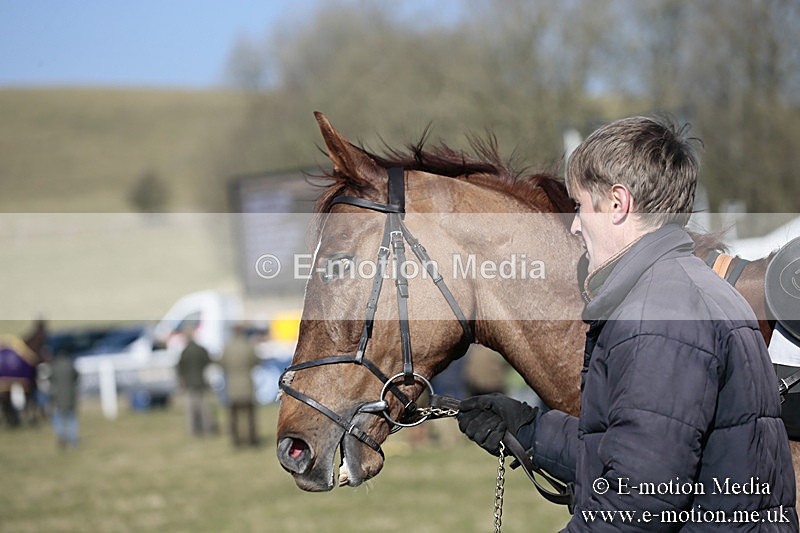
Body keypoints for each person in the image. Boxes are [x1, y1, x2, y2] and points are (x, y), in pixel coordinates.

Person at [456, 116, 798, 529]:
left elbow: (635, 508)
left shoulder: (658, 318)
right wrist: (533, 431)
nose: (577, 226)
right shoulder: (690, 289)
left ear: (618, 203)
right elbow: (652, 451)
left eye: (580, 207)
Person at [221, 324, 260, 447]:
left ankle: (236, 440)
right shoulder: (248, 346)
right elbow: (256, 361)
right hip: (246, 384)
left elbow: (222, 363)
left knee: (233, 416)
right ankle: (252, 439)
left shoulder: (227, 347)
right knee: (250, 415)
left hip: (232, 385)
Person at [176, 325, 215, 436]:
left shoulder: (185, 352)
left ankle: (193, 431)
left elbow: (180, 368)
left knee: (190, 409)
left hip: (189, 383)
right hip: (201, 381)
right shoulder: (201, 349)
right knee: (204, 408)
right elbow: (209, 362)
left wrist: (182, 381)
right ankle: (208, 429)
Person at [50, 350, 79, 449]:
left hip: (58, 398)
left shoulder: (55, 366)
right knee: (71, 419)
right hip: (71, 397)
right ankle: (73, 441)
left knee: (58, 419)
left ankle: (61, 437)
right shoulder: (71, 365)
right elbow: (76, 377)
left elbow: (50, 379)